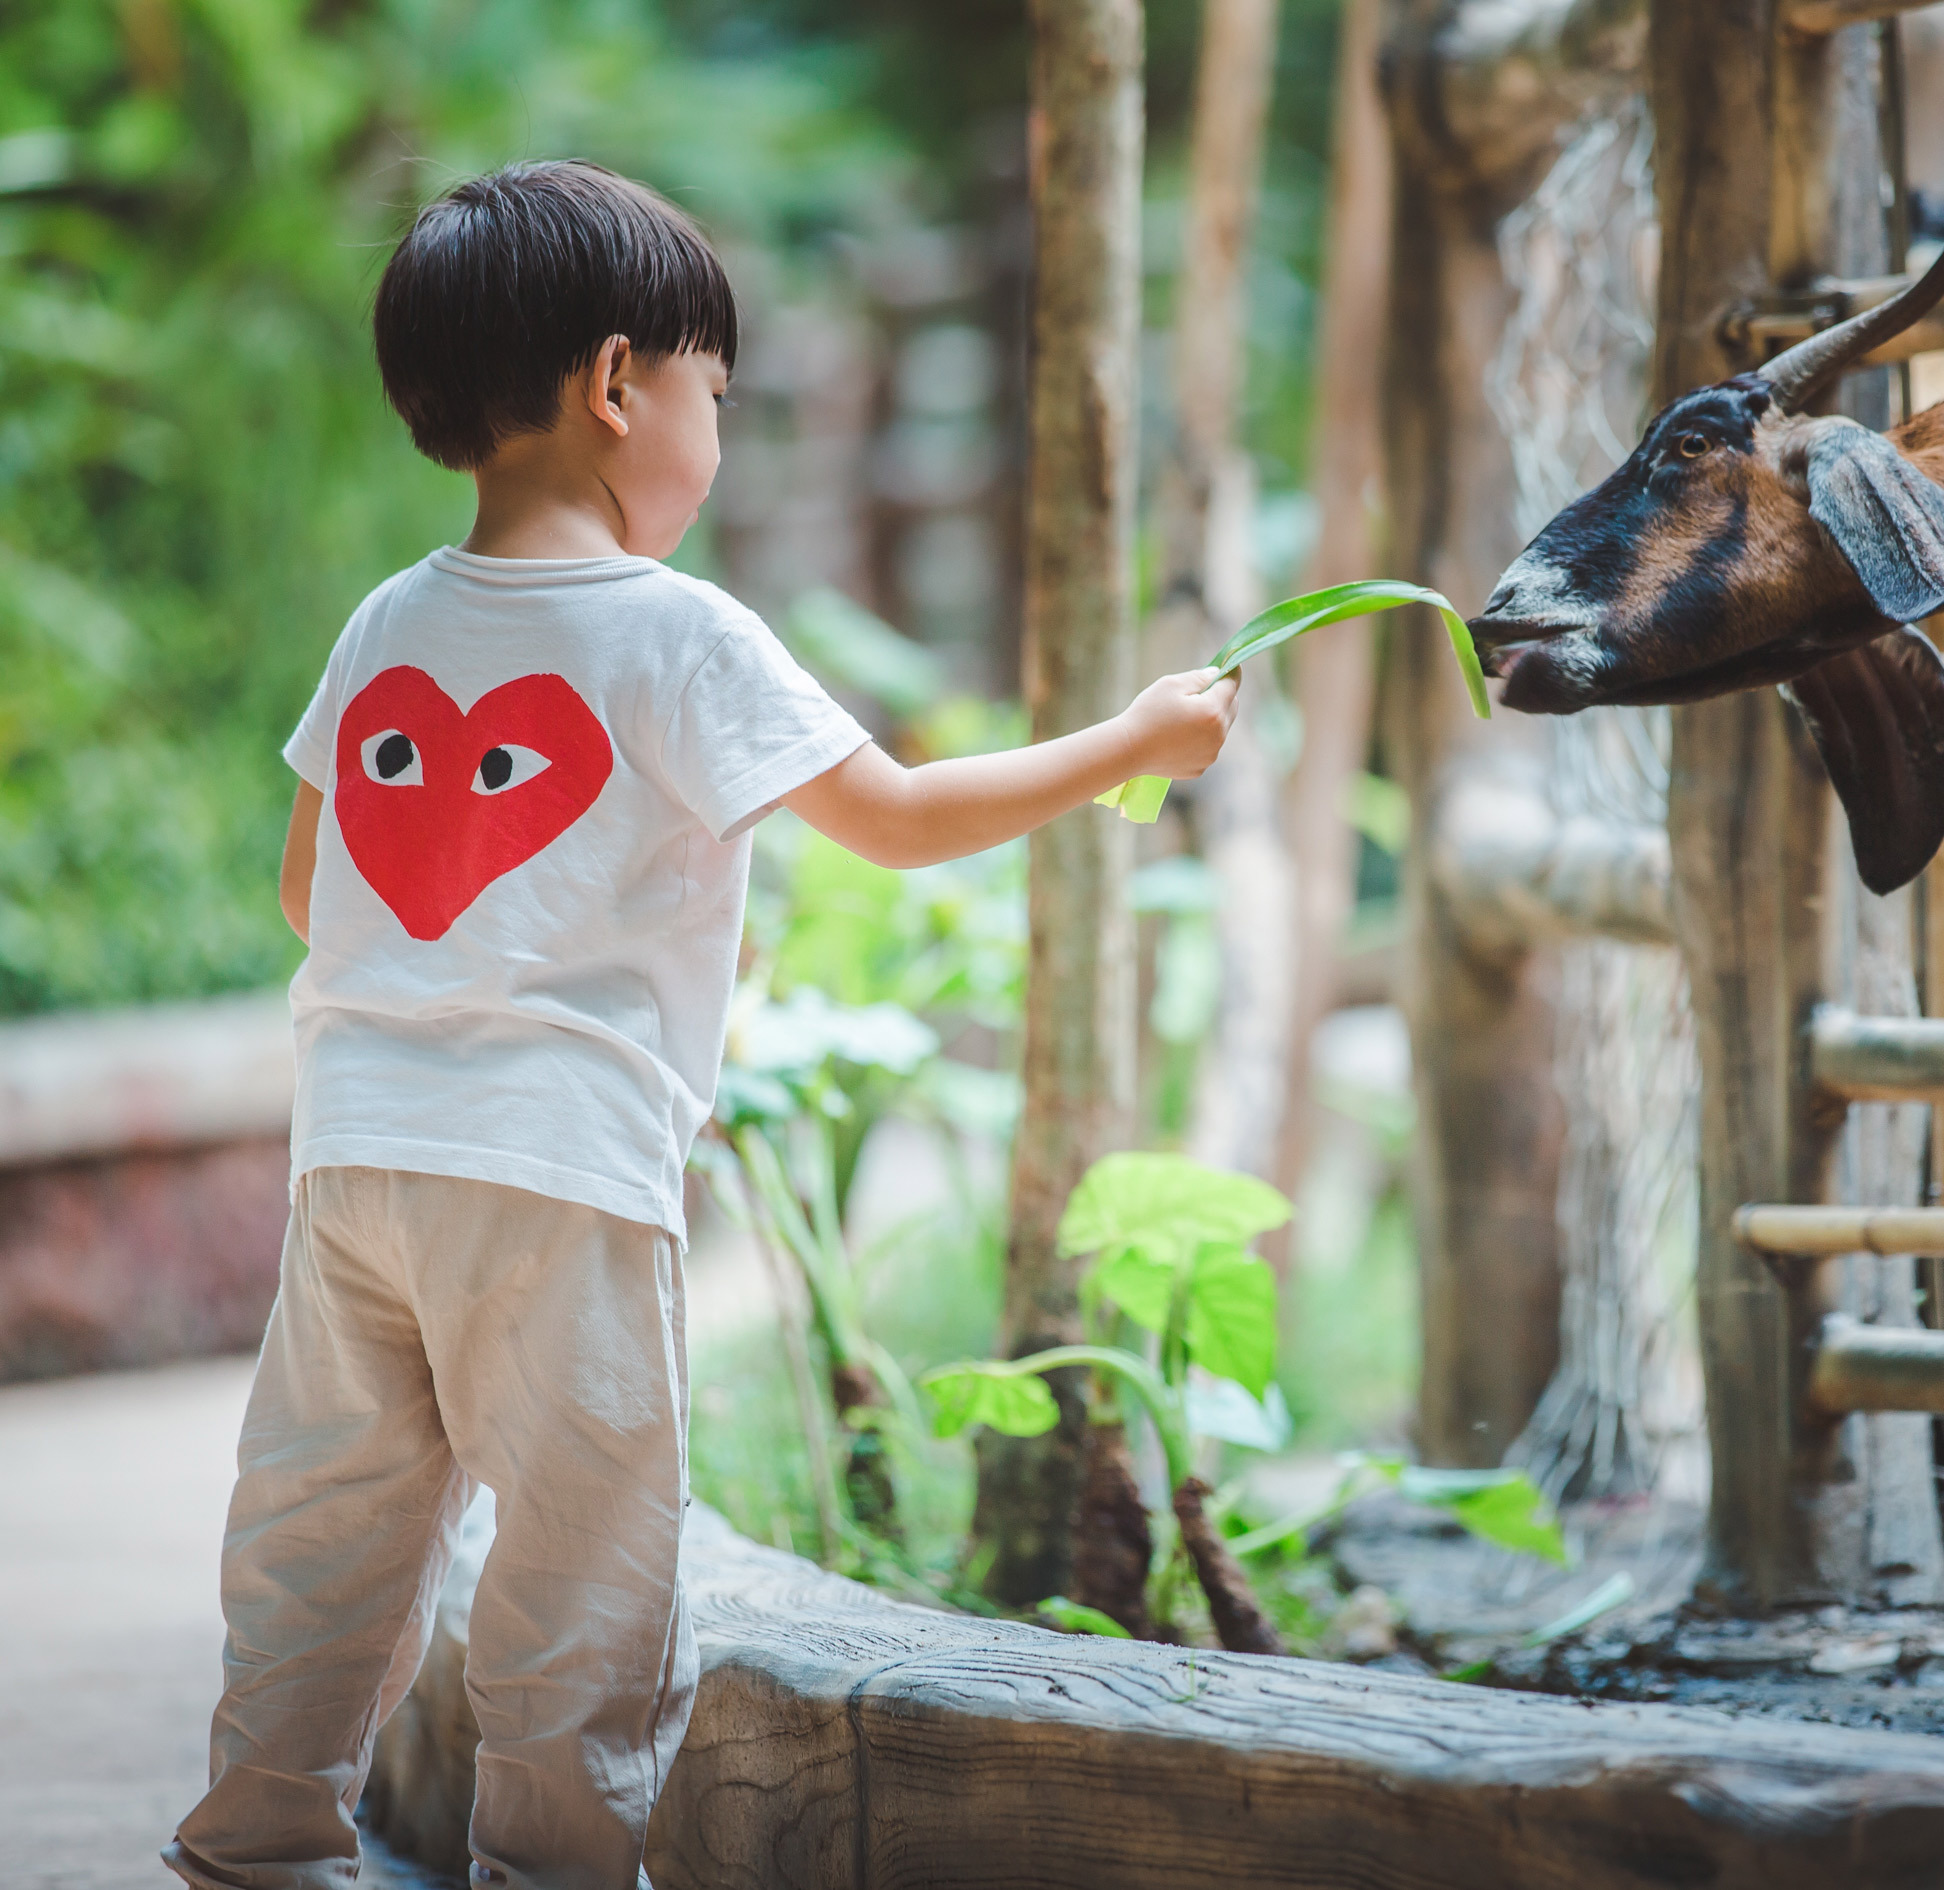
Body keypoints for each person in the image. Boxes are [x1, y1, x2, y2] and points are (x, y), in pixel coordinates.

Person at [164, 159, 1235, 1890]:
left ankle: (257, 1849)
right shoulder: (679, 634)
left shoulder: (387, 624)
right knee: (585, 1582)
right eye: (711, 396)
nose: (714, 438)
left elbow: (316, 889)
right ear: (615, 388)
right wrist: (1132, 740)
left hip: (355, 1161)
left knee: (322, 1542)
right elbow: (893, 813)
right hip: (562, 1178)